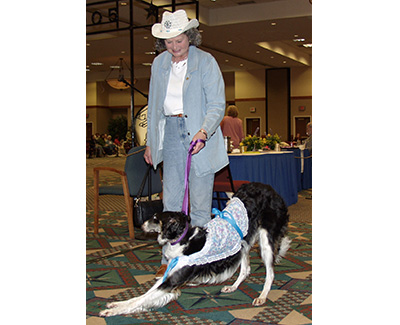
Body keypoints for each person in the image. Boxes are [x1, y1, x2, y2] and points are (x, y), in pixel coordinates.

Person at [143, 9, 229, 278]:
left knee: (201, 201)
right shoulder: (159, 64)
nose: (174, 46)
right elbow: (153, 104)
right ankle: (169, 259)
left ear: (190, 36)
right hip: (169, 130)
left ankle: (200, 260)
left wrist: (204, 131)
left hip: (198, 133)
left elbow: (217, 103)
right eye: (168, 42)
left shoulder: (206, 61)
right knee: (171, 199)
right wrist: (150, 142)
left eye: (178, 40)